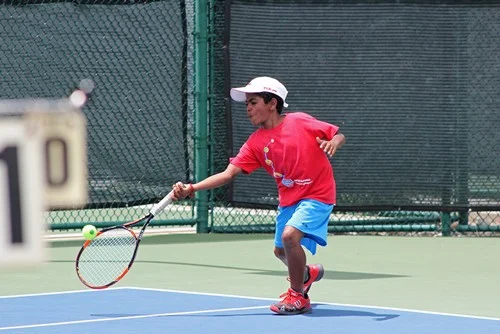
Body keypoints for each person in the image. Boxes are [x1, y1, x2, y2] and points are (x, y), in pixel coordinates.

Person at [171, 76, 345, 315]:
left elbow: (336, 133)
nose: (248, 109)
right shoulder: (255, 143)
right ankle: (306, 274)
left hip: (318, 194)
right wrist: (192, 188)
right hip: (289, 200)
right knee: (281, 251)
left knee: (290, 236)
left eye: (253, 102)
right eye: (247, 104)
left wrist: (333, 143)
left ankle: (298, 297)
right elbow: (227, 174)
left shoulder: (300, 122)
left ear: (272, 103)